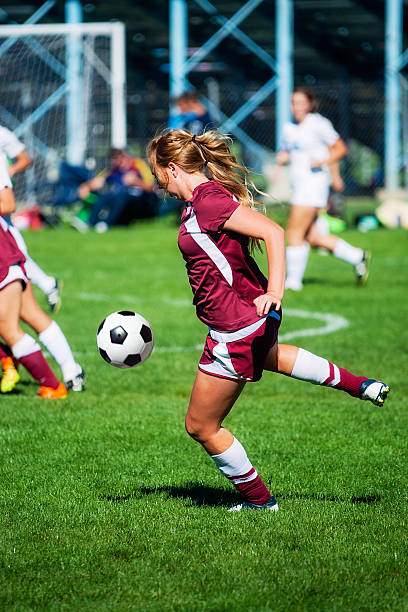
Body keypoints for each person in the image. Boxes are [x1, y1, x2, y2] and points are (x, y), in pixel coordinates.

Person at [146, 129, 390, 512]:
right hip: (242, 322)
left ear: (173, 168)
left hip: (236, 326)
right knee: (271, 356)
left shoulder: (207, 201)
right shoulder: (201, 200)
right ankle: (360, 385)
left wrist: (275, 291)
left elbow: (273, 232)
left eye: (158, 174)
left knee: (201, 426)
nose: (159, 184)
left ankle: (259, 502)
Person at [0, 160, 85, 394]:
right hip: (7, 252)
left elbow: (8, 202)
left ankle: (54, 382)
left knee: (12, 325)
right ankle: (12, 361)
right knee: (27, 315)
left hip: (5, 251)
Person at [276, 87, 370, 291]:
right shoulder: (289, 128)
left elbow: (340, 148)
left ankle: (293, 282)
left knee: (294, 230)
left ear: (310, 104)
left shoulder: (318, 124)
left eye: (301, 102)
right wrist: (282, 161)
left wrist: (324, 162)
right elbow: (287, 152)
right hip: (299, 185)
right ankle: (358, 256)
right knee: (313, 237)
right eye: (293, 102)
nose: (297, 107)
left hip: (312, 186)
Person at [0, 190, 67, 398]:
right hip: (9, 259)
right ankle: (8, 357)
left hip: (4, 262)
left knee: (10, 329)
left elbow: (8, 203)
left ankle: (53, 386)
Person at [0, 125, 62, 311]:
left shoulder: (2, 134)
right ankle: (47, 284)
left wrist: (8, 171)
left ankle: (42, 287)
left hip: (3, 197)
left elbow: (25, 159)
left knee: (15, 255)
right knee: (16, 254)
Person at [78, 148, 157, 233]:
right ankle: (90, 222)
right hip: (118, 198)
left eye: (118, 158)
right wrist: (85, 186)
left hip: (139, 201)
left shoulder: (138, 164)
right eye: (113, 159)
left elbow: (152, 187)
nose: (116, 162)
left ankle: (106, 224)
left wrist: (136, 182)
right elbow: (99, 180)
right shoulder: (114, 170)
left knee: (121, 195)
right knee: (105, 195)